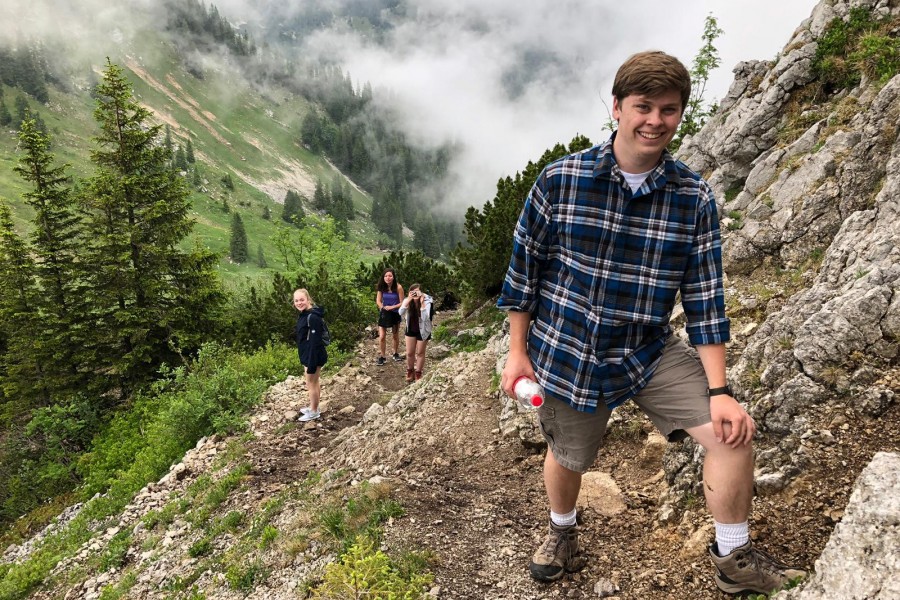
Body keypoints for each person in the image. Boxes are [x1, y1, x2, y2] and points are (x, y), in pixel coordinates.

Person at [497, 50, 807, 595]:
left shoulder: (693, 199)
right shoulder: (560, 181)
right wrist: (517, 351)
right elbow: (523, 272)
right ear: (616, 108)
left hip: (647, 350)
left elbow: (706, 300)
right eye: (643, 106)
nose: (655, 121)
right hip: (569, 349)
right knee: (569, 455)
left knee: (733, 437)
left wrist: (720, 391)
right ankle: (562, 532)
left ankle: (734, 560)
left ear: (680, 115)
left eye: (668, 109)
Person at [293, 288, 327, 422]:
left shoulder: (312, 317)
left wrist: (311, 362)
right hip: (308, 354)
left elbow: (315, 341)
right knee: (314, 381)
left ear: (308, 299)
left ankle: (313, 412)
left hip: (313, 355)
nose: (299, 303)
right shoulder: (305, 314)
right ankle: (315, 407)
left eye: (302, 300)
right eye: (296, 300)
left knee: (311, 383)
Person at [398, 283, 434, 382]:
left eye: (417, 291)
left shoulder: (428, 301)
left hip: (423, 330)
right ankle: (410, 371)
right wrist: (409, 300)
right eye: (413, 292)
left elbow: (426, 318)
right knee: (409, 353)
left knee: (420, 352)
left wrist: (422, 304)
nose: (415, 294)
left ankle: (418, 373)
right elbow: (400, 313)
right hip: (411, 328)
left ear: (421, 292)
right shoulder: (407, 300)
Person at [375, 268, 405, 366]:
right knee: (382, 336)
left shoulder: (398, 287)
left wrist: (392, 307)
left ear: (393, 277)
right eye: (386, 276)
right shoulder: (381, 287)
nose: (388, 278)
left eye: (390, 276)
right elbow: (378, 300)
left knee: (395, 335)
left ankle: (395, 353)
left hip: (395, 313)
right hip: (384, 313)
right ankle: (383, 356)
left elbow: (402, 302)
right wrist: (382, 307)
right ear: (383, 277)